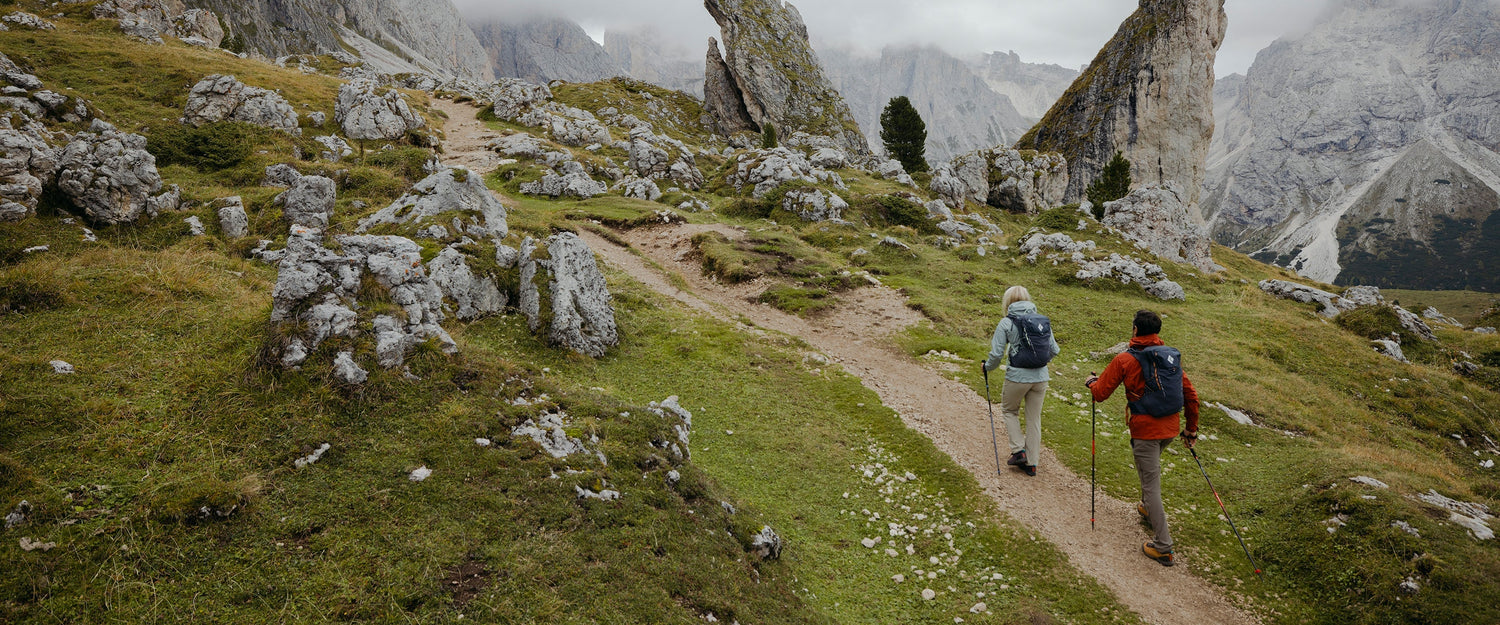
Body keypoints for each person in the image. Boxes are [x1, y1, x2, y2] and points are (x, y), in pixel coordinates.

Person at [1085, 310, 1200, 567]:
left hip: (1145, 430)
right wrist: (1191, 430)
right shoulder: (1169, 358)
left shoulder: (1124, 359)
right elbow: (1191, 396)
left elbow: (1101, 393)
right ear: (1156, 331)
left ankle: (1163, 546)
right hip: (1169, 429)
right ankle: (1148, 509)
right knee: (1148, 471)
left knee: (1150, 484)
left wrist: (1091, 383)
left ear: (1135, 329)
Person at [981, 286, 1060, 477]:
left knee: (1009, 410)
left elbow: (997, 353)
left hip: (1017, 377)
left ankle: (1018, 451)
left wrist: (987, 367)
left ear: (1007, 301)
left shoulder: (1006, 323)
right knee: (1034, 419)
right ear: (1027, 299)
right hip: (1041, 378)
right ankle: (1032, 464)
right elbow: (1054, 350)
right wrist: (1039, 362)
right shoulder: (1041, 321)